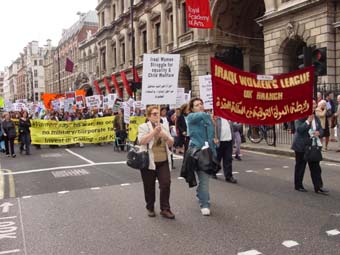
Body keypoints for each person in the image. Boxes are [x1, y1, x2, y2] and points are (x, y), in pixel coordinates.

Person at [138, 105, 175, 219]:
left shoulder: (164, 126)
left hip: (163, 160)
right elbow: (142, 141)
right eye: (154, 114)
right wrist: (154, 132)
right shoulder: (143, 127)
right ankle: (150, 207)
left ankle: (165, 209)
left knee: (165, 184)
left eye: (158, 113)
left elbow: (171, 143)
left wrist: (165, 136)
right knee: (149, 186)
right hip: (149, 161)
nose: (157, 116)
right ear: (149, 117)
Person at [185, 98, 216, 216]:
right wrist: (209, 114)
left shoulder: (206, 118)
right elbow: (201, 115)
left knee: (204, 179)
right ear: (192, 109)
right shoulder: (191, 117)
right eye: (197, 105)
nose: (200, 106)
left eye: (201, 104)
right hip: (197, 153)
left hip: (208, 152)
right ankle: (205, 204)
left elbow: (211, 136)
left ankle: (200, 193)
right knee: (204, 179)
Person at [291, 99, 328, 195]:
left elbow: (321, 129)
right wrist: (308, 121)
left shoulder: (316, 117)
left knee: (316, 166)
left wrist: (319, 132)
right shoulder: (300, 115)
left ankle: (318, 187)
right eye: (311, 104)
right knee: (300, 166)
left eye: (314, 104)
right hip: (301, 145)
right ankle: (298, 185)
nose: (313, 105)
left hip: (313, 146)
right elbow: (299, 130)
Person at [215, 117, 237, 183]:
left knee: (228, 159)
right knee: (217, 159)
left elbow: (234, 128)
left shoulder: (229, 118)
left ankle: (229, 176)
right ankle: (213, 171)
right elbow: (212, 129)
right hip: (220, 142)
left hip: (229, 142)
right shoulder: (216, 118)